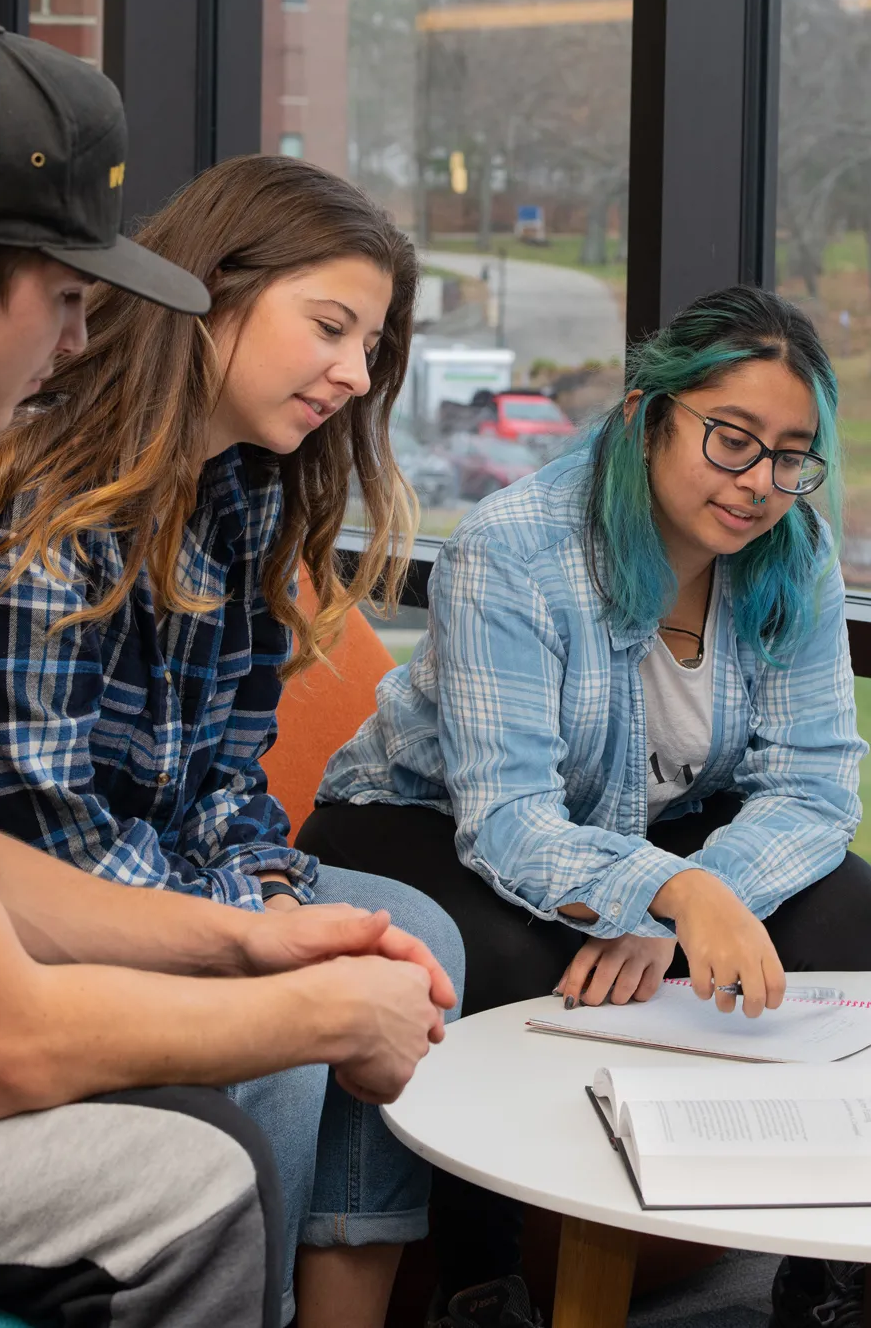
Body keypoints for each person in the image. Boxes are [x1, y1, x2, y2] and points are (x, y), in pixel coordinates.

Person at [0, 20, 455, 1328]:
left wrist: (249, 923)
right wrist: (305, 1001)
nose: (83, 337)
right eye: (68, 296)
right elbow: (0, 1022)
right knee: (203, 1173)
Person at [303, 284, 870, 1328]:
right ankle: (482, 1281)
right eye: (731, 440)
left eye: (792, 456)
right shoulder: (513, 549)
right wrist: (666, 894)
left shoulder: (795, 555)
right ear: (646, 418)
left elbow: (816, 785)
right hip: (421, 817)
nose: (760, 484)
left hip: (632, 830)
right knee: (521, 964)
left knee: (853, 911)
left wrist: (689, 901)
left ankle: (824, 1267)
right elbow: (508, 816)